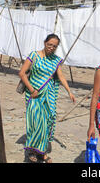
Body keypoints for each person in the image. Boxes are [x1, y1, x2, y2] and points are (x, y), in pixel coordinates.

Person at [18, 33, 76, 163]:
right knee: (36, 123)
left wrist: (69, 92)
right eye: (50, 44)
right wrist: (32, 90)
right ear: (45, 43)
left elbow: (60, 76)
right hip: (34, 95)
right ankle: (32, 151)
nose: (51, 48)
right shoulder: (34, 55)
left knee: (46, 124)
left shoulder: (55, 60)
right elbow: (22, 73)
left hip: (48, 96)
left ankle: (42, 152)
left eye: (54, 46)